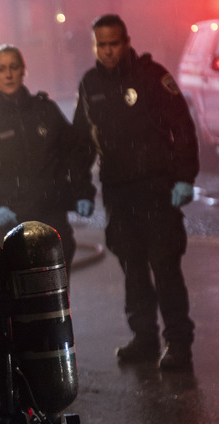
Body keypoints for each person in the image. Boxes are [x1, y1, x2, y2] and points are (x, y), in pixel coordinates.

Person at [72, 14, 199, 370]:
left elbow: (182, 126)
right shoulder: (90, 84)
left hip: (155, 189)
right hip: (118, 192)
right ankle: (144, 337)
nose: (108, 51)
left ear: (126, 42)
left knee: (165, 266)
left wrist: (184, 177)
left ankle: (178, 343)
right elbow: (81, 142)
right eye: (101, 45)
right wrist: (81, 188)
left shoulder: (151, 76)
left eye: (114, 44)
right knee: (133, 269)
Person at [0, 44, 95, 271]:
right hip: (9, 219)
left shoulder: (45, 110)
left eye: (13, 67)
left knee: (55, 286)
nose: (8, 74)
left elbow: (75, 154)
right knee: (16, 287)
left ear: (23, 70)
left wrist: (83, 193)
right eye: (1, 69)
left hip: (50, 212)